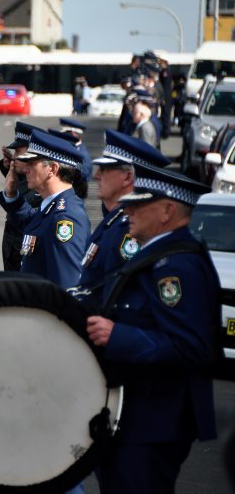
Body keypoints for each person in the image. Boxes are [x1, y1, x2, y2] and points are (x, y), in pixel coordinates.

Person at [85, 163, 220, 494]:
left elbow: (192, 347)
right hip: (135, 417)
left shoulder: (177, 267)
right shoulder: (154, 255)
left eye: (139, 204)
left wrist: (118, 336)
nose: (128, 210)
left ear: (167, 212)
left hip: (154, 423)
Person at [71, 130, 170, 307]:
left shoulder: (129, 228)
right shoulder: (113, 220)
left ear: (128, 177)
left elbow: (120, 299)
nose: (96, 175)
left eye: (104, 169)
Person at [0, 130, 90, 289]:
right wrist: (12, 195)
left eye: (32, 163)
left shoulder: (65, 218)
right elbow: (30, 221)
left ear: (52, 169)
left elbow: (66, 286)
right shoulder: (53, 206)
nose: (26, 169)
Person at [0, 121, 43, 271]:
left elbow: (22, 203)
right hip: (13, 252)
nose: (14, 157)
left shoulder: (40, 188)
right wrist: (10, 169)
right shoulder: (28, 180)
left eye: (18, 152)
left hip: (23, 255)